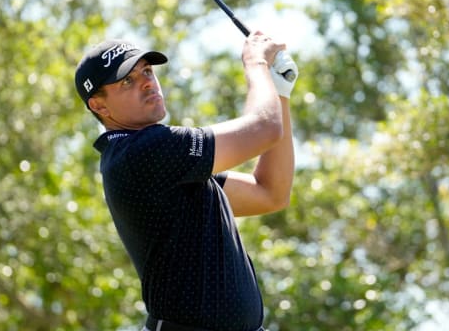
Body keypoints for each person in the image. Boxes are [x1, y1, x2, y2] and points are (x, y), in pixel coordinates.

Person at [74, 31, 297, 331]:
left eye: (147, 71)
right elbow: (264, 128)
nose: (147, 82)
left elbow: (270, 193)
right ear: (99, 106)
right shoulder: (141, 151)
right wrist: (256, 64)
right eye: (127, 80)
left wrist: (279, 91)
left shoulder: (164, 162)